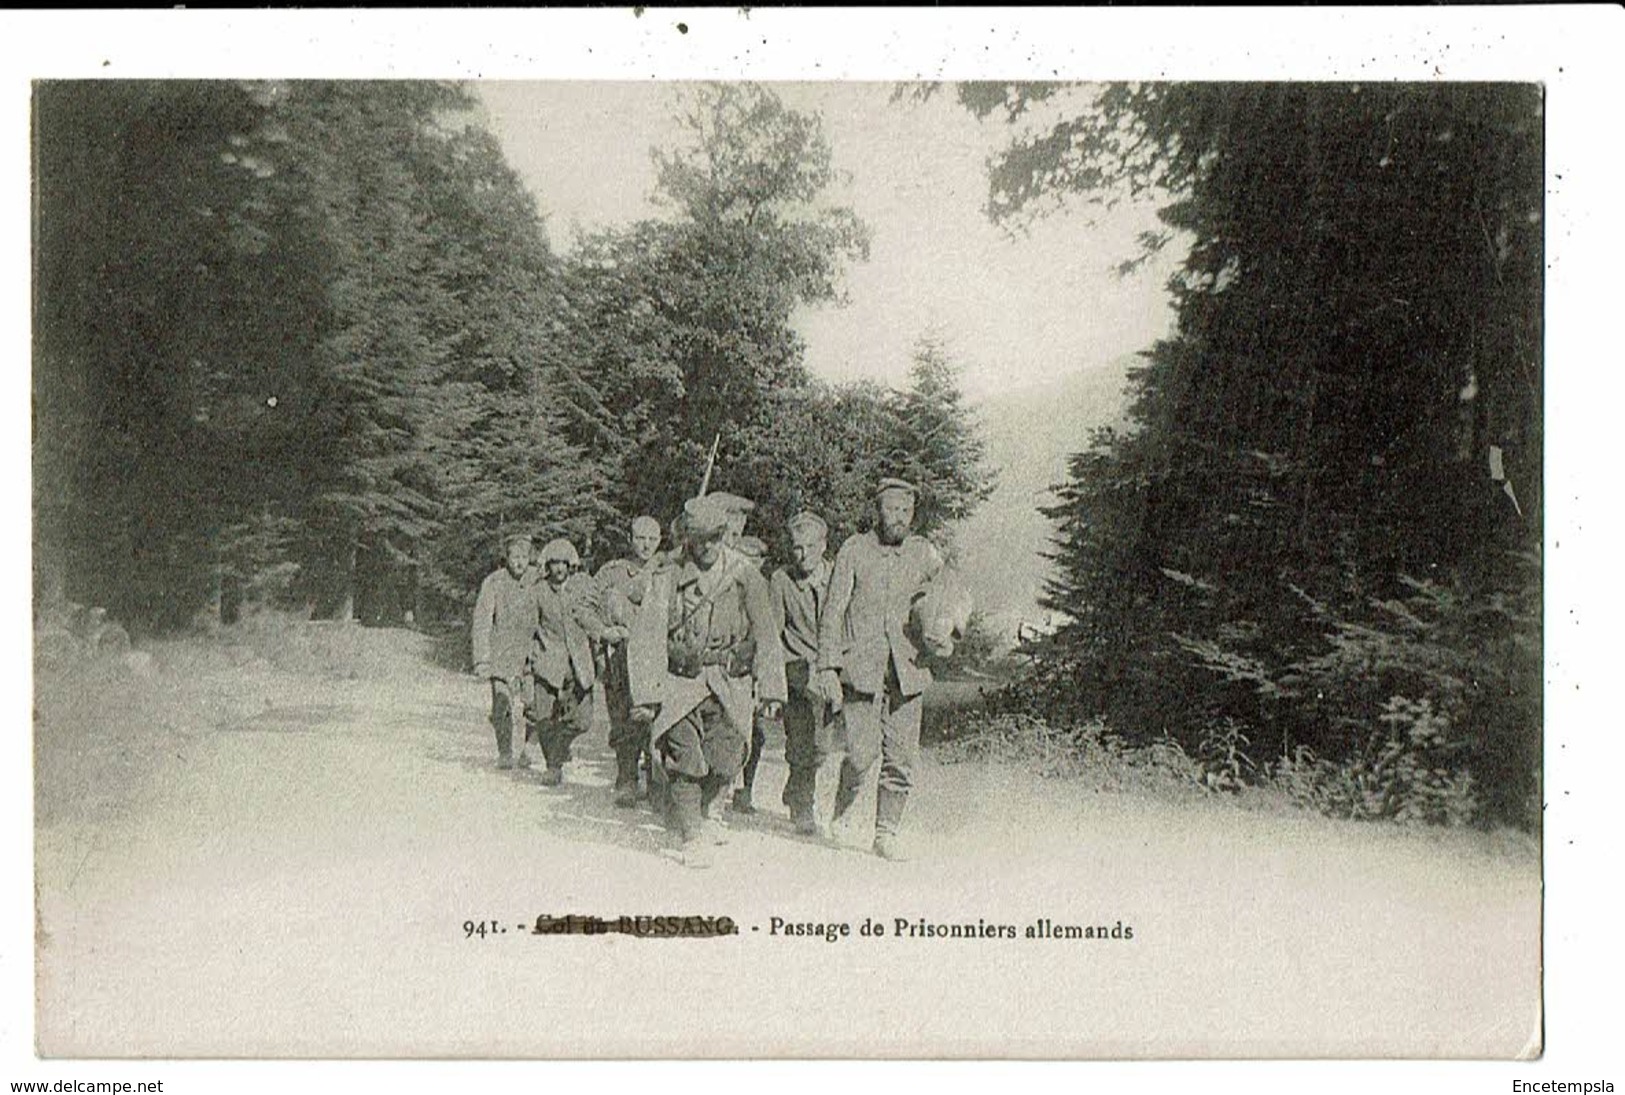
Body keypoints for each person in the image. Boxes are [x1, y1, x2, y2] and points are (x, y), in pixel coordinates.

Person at [628, 496, 785, 869]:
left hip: (729, 680)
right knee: (686, 758)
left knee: (726, 758)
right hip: (681, 682)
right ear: (688, 540)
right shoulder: (668, 575)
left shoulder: (745, 574)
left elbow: (766, 632)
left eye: (716, 537)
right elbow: (648, 634)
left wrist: (772, 689)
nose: (710, 546)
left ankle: (702, 810)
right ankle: (691, 834)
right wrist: (647, 695)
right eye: (701, 539)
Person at [815, 479, 948, 860]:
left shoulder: (925, 553)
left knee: (901, 758)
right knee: (861, 755)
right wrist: (827, 665)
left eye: (905, 511)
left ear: (913, 514)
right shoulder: (854, 550)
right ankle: (841, 811)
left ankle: (886, 833)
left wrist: (945, 634)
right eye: (891, 510)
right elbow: (833, 610)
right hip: (862, 669)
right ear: (877, 510)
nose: (898, 519)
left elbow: (949, 593)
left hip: (908, 671)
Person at [745, 510, 837, 833]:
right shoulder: (782, 581)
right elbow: (772, 632)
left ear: (824, 546)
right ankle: (802, 807)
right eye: (797, 548)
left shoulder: (836, 576)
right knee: (802, 740)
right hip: (796, 673)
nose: (804, 555)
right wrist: (769, 680)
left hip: (828, 673)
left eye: (811, 547)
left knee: (822, 747)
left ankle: (796, 787)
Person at [595, 516, 662, 808]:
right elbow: (586, 603)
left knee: (654, 721)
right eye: (640, 538)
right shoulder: (612, 572)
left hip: (655, 659)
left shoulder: (667, 571)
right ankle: (626, 778)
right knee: (622, 719)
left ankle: (656, 781)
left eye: (652, 539)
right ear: (630, 538)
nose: (646, 545)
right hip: (620, 660)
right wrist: (603, 631)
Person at [529, 537, 602, 787]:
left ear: (570, 564)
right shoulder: (538, 591)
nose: (559, 569)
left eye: (563, 563)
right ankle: (553, 767)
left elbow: (595, 617)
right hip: (548, 662)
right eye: (553, 563)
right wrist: (528, 660)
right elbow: (527, 627)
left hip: (579, 663)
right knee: (544, 719)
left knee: (583, 720)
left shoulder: (582, 589)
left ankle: (560, 749)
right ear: (547, 566)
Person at [471, 532, 540, 770]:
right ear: (507, 557)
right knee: (501, 707)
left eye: (524, 557)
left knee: (535, 705)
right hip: (501, 655)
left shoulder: (538, 580)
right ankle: (505, 752)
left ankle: (529, 748)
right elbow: (482, 622)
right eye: (514, 557)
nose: (519, 562)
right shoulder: (494, 582)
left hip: (531, 655)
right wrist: (481, 660)